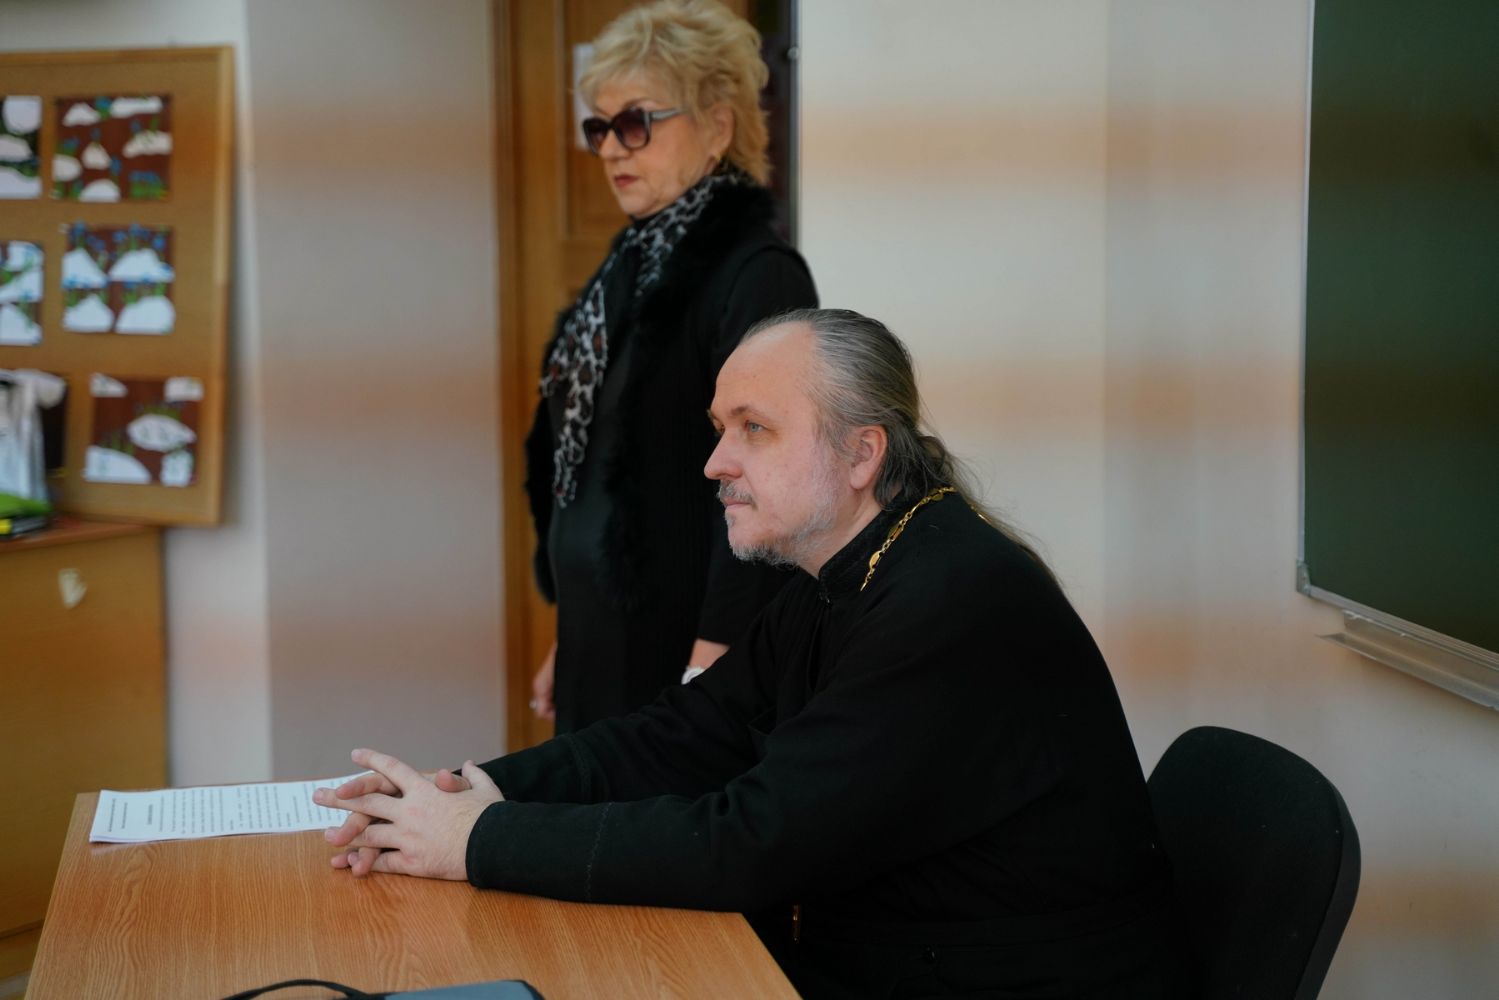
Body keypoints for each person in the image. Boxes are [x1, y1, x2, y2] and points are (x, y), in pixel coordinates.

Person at [317, 309, 1191, 999]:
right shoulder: (843, 568)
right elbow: (688, 732)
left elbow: (752, 842)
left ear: (861, 452)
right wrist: (474, 790)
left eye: (753, 429)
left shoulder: (949, 599)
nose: (714, 462)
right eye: (718, 427)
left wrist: (479, 841)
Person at [525, 0, 817, 731]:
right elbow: (595, 469)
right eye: (600, 127)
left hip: (685, 650)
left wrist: (714, 657)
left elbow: (771, 481)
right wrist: (572, 634)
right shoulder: (627, 266)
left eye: (637, 122)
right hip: (603, 638)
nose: (611, 149)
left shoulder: (757, 273)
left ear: (717, 127)